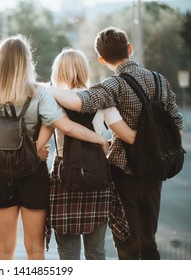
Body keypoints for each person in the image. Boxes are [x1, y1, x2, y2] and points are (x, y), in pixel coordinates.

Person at [50, 27, 183, 260]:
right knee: (149, 237)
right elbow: (177, 124)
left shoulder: (114, 86)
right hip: (156, 170)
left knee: (126, 241)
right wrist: (158, 148)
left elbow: (82, 102)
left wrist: (43, 89)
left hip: (124, 169)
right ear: (129, 48)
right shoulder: (159, 80)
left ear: (101, 59)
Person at [0, 34, 109, 260]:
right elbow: (66, 127)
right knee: (35, 251)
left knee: (2, 251)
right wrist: (98, 139)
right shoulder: (39, 93)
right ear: (27, 62)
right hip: (33, 174)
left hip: (3, 174)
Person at [47, 48, 134, 260]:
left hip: (63, 177)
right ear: (84, 70)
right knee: (96, 253)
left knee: (68, 254)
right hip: (97, 177)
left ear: (58, 71)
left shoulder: (52, 100)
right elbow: (128, 136)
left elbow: (40, 141)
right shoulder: (102, 100)